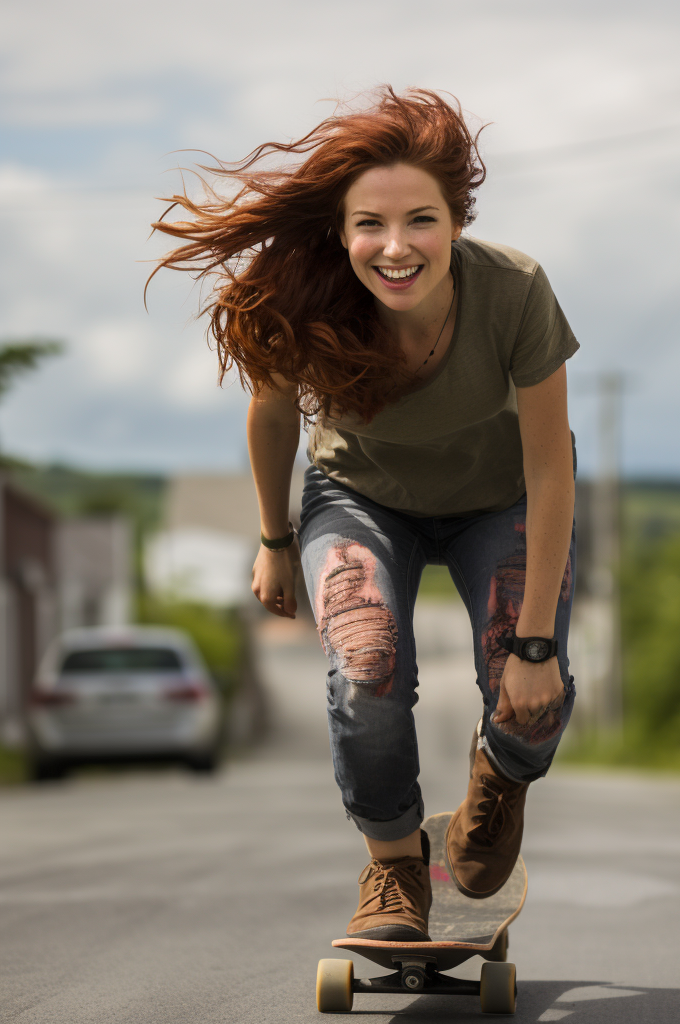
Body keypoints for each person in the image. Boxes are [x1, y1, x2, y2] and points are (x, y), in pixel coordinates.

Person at [152, 88, 578, 941]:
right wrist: (275, 540)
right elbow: (271, 416)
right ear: (340, 233)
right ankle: (393, 873)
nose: (395, 248)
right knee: (366, 665)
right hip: (361, 498)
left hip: (502, 498)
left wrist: (534, 649)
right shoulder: (308, 298)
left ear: (456, 220)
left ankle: (497, 783)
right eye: (369, 226)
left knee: (532, 693)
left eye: (420, 220)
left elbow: (551, 469)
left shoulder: (515, 292)